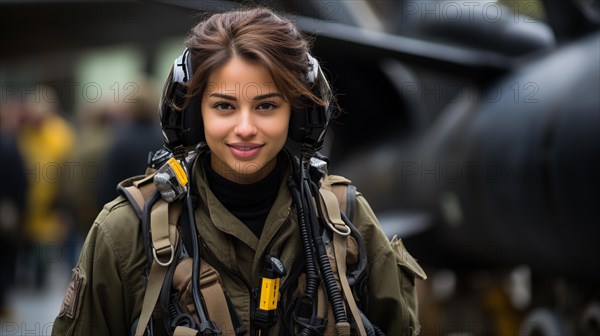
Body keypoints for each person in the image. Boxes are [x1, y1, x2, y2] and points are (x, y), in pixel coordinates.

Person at [51, 7, 426, 336]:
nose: (245, 127)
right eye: (224, 106)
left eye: (266, 106)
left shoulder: (345, 220)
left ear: (299, 118)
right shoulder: (126, 233)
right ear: (193, 116)